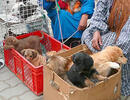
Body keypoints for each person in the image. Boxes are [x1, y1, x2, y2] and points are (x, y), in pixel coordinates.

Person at [81, 0, 130, 99]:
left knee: (120, 54)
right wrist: (96, 31)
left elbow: (126, 36)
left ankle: (123, 91)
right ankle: (97, 77)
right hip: (107, 31)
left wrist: (114, 50)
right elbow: (99, 13)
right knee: (87, 35)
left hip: (125, 37)